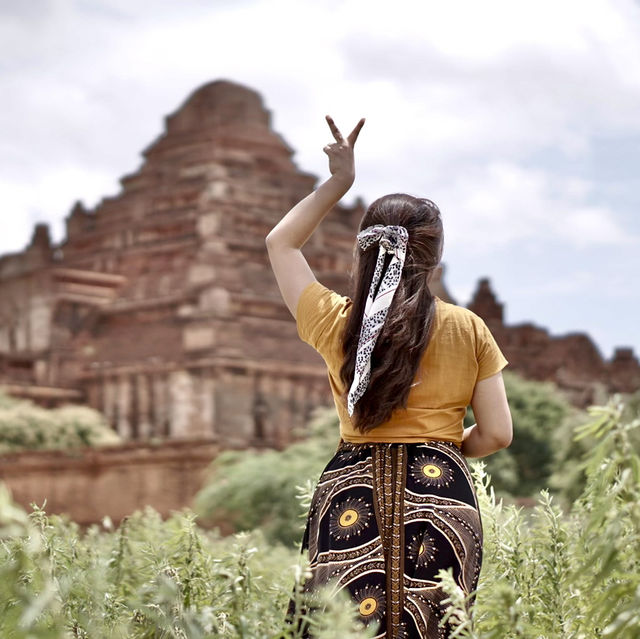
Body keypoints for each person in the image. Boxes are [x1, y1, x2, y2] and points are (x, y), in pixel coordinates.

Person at [265, 115, 513, 638]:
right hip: (442, 491)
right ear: (435, 255)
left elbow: (281, 244)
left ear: (364, 249)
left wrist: (338, 182)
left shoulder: (335, 321)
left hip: (351, 490)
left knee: (342, 627)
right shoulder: (468, 328)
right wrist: (438, 450)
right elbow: (497, 434)